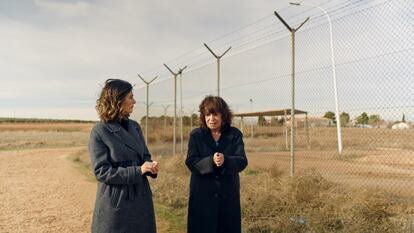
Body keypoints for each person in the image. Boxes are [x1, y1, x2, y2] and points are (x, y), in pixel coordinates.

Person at [89, 79, 159, 233]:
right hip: (117, 201)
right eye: (130, 97)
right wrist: (137, 171)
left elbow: (145, 156)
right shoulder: (100, 131)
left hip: (141, 197)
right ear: (117, 100)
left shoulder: (135, 126)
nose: (134, 101)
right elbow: (102, 171)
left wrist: (150, 166)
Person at [185, 95, 248, 233]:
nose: (211, 118)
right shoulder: (196, 135)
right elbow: (191, 162)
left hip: (227, 196)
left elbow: (242, 161)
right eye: (208, 114)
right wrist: (210, 161)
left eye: (215, 114)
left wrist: (226, 160)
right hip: (202, 196)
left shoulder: (234, 134)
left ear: (224, 116)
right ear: (203, 116)